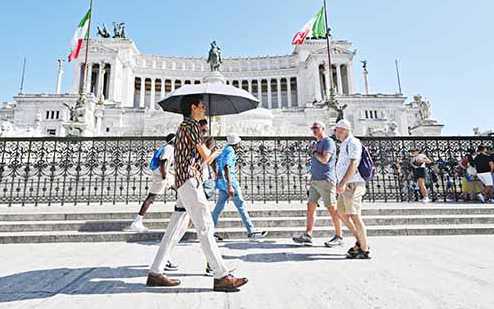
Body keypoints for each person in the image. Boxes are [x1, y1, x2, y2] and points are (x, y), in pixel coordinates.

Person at [147, 94, 248, 292]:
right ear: (193, 107)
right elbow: (207, 157)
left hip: (183, 180)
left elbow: (197, 158)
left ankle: (155, 271)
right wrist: (218, 150)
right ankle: (221, 275)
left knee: (175, 228)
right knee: (205, 225)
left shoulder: (183, 127)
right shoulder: (192, 126)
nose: (204, 109)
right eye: (202, 106)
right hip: (189, 182)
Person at [292, 121, 343, 247]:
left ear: (323, 129)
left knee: (332, 208)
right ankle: (308, 235)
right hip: (315, 180)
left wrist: (314, 152)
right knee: (310, 206)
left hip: (326, 180)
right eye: (312, 128)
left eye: (316, 128)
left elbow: (325, 160)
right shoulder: (318, 143)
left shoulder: (328, 142)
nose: (313, 130)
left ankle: (339, 236)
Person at [211, 134, 268, 241]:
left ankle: (209, 231)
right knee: (241, 206)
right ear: (236, 144)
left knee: (218, 208)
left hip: (222, 182)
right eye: (239, 143)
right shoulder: (231, 151)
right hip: (230, 183)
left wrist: (216, 173)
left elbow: (213, 161)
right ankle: (251, 232)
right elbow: (227, 166)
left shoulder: (224, 150)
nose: (239, 145)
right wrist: (230, 186)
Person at [334, 119, 371, 259]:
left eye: (336, 130)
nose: (335, 133)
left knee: (355, 215)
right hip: (346, 185)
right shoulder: (344, 144)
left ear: (343, 130)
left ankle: (364, 249)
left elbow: (354, 163)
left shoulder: (353, 142)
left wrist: (343, 182)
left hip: (353, 184)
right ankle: (361, 241)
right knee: (342, 213)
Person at [129, 133, 176, 233]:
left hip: (165, 175)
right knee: (151, 198)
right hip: (161, 175)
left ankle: (183, 214)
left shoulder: (168, 148)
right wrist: (164, 176)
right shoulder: (169, 148)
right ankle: (137, 222)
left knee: (180, 189)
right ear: (173, 140)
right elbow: (162, 161)